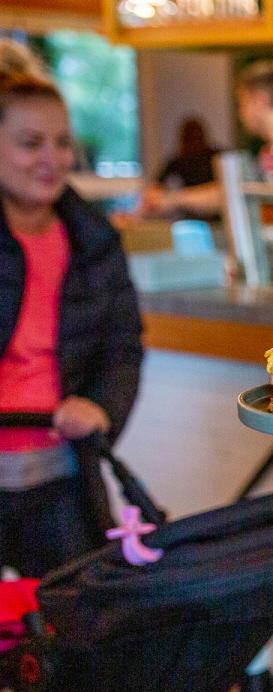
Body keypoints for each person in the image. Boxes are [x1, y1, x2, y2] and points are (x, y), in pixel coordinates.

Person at [0, 73, 144, 578]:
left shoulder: (95, 241)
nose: (52, 158)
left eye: (62, 142)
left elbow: (122, 348)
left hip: (63, 475)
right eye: (29, 143)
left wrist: (101, 406)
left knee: (75, 632)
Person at [143, 63, 273, 289]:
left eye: (241, 103)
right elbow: (231, 192)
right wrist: (171, 200)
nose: (241, 115)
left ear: (258, 100)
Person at [156, 117, 219, 191]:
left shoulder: (178, 161)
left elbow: (157, 184)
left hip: (194, 198)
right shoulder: (178, 161)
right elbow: (157, 184)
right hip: (201, 198)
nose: (195, 141)